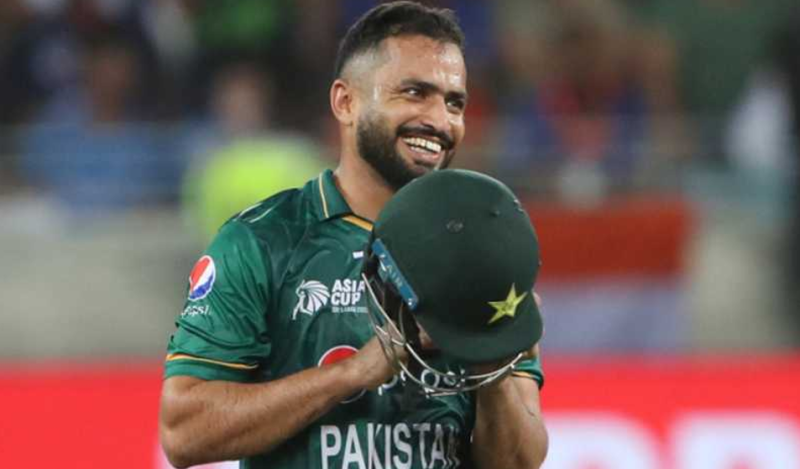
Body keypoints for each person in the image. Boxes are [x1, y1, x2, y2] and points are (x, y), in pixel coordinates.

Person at [159, 2, 548, 468]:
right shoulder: (263, 242)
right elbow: (184, 432)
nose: (440, 120)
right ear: (345, 102)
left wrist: (492, 364)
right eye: (414, 92)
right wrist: (353, 373)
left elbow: (519, 463)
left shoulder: (484, 250)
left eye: (454, 102)